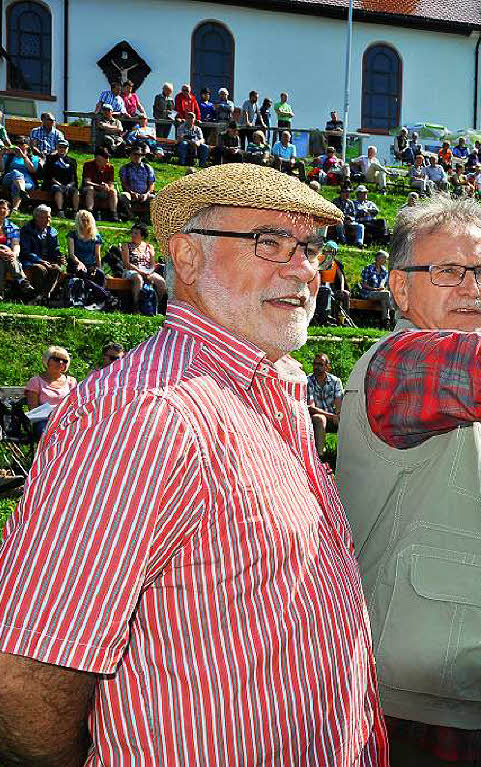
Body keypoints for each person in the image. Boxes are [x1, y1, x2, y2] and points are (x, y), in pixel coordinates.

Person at [0, 163, 387, 765]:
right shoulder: (144, 413)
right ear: (183, 256)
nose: (304, 268)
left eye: (310, 247)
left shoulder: (267, 389)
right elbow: (26, 673)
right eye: (269, 242)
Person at [23, 345, 76, 434]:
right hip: (44, 421)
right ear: (47, 361)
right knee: (49, 433)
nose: (61, 363)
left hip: (65, 420)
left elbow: (74, 405)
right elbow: (33, 409)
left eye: (64, 361)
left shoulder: (71, 381)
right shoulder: (36, 381)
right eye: (56, 359)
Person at [19, 205, 64, 300]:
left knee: (56, 269)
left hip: (48, 260)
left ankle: (44, 295)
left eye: (49, 217)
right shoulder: (26, 230)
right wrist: (40, 261)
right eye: (44, 217)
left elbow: (56, 249)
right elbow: (25, 251)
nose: (48, 220)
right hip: (31, 260)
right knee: (40, 269)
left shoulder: (53, 232)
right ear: (36, 218)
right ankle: (35, 295)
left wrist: (59, 257)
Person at [121, 224, 165, 310]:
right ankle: (136, 305)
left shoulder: (149, 247)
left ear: (142, 236)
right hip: (131, 270)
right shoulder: (126, 246)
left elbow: (152, 264)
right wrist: (141, 272)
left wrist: (149, 272)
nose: (133, 235)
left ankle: (156, 306)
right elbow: (126, 264)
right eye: (132, 233)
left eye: (136, 233)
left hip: (147, 271)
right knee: (138, 278)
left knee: (160, 281)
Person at [307, 352, 342, 459]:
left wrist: (338, 414)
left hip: (333, 416)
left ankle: (346, 455)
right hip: (316, 417)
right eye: (315, 364)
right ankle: (320, 456)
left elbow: (339, 401)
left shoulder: (335, 381)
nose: (316, 367)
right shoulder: (307, 381)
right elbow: (311, 407)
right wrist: (332, 416)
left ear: (327, 367)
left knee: (347, 419)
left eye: (320, 364)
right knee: (319, 418)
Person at [66, 210, 107, 295]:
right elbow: (71, 254)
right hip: (76, 263)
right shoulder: (72, 235)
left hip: (90, 264)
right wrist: (80, 263)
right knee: (82, 272)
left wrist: (98, 267)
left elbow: (97, 255)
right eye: (83, 220)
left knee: (100, 274)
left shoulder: (96, 237)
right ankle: (104, 295)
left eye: (87, 220)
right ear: (78, 221)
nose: (85, 222)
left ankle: (98, 297)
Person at [0, 198, 33, 301]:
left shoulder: (12, 227)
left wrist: (14, 254)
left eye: (4, 208)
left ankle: (0, 293)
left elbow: (16, 244)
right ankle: (22, 280)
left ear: (8, 211)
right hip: (3, 253)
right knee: (4, 248)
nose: (1, 211)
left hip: (5, 257)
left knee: (5, 260)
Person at [81, 146, 120, 221]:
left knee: (114, 191)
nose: (107, 159)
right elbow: (87, 181)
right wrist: (98, 186)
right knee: (90, 189)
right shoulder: (88, 165)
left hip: (104, 190)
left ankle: (114, 214)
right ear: (98, 157)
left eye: (107, 157)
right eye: (105, 157)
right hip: (91, 189)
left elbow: (111, 183)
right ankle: (90, 213)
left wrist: (108, 188)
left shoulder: (110, 167)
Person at [41, 139, 78, 216]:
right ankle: (60, 211)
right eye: (60, 147)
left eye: (64, 147)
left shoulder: (72, 161)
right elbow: (48, 176)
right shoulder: (50, 159)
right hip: (53, 184)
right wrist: (59, 184)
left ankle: (75, 212)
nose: (62, 149)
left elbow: (74, 178)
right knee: (58, 188)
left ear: (67, 149)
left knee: (75, 191)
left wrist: (69, 185)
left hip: (68, 184)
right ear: (57, 148)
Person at [2, 136, 39, 213]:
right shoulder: (9, 156)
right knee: (16, 172)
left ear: (27, 146)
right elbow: (1, 169)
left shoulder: (34, 158)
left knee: (15, 185)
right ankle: (22, 192)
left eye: (21, 143)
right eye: (17, 143)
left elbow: (32, 170)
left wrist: (23, 156)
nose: (18, 146)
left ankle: (15, 208)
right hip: (9, 178)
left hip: (27, 182)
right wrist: (0, 155)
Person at [119, 146, 157, 214]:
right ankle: (130, 215)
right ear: (130, 155)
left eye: (139, 155)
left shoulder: (148, 168)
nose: (137, 156)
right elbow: (124, 184)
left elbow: (151, 185)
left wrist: (146, 194)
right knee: (124, 195)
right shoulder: (125, 168)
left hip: (145, 194)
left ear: (142, 156)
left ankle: (148, 218)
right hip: (130, 193)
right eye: (134, 154)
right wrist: (131, 192)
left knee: (155, 198)